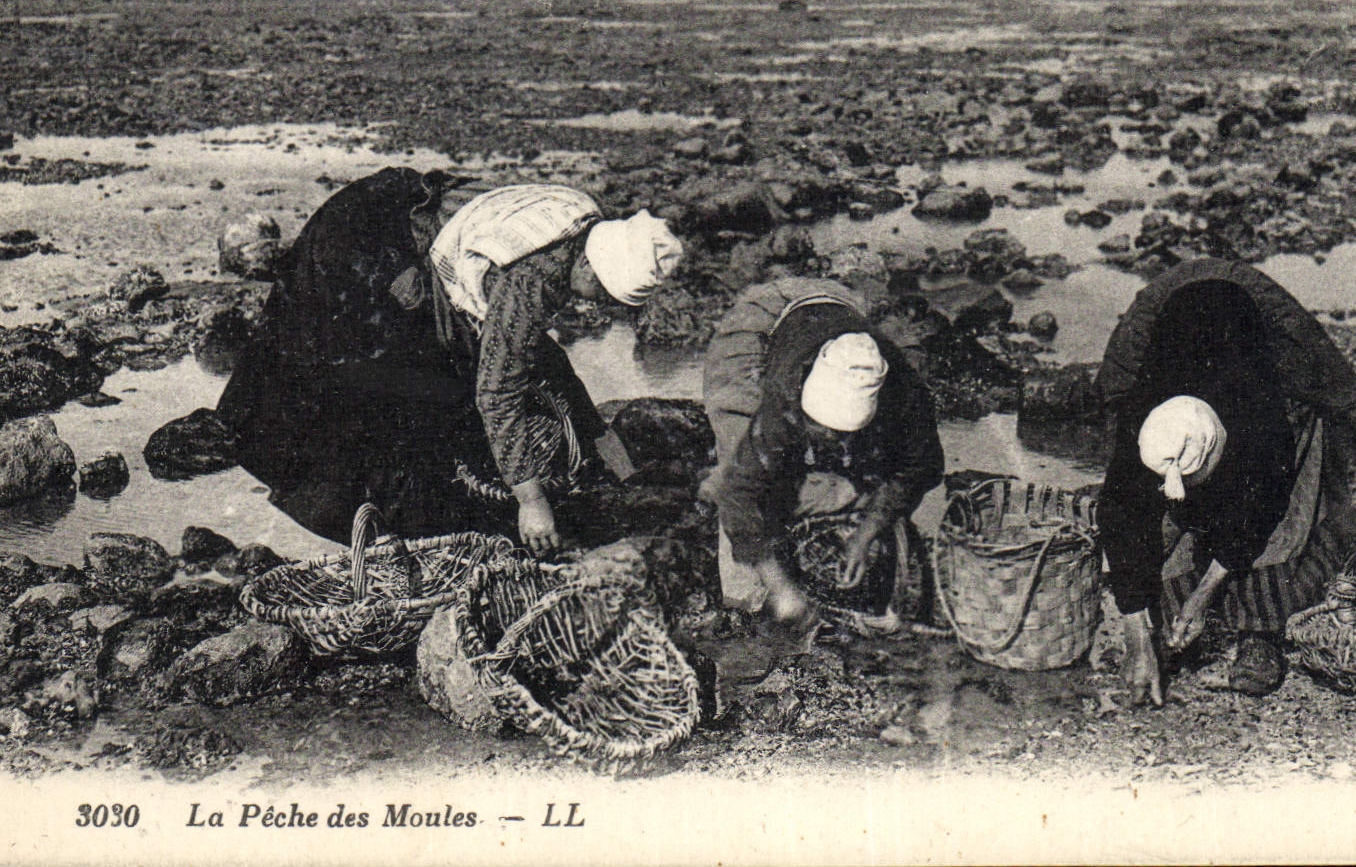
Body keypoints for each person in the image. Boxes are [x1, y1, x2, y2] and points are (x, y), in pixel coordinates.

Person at [216, 168, 683, 554]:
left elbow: (535, 351)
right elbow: (497, 391)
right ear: (587, 265)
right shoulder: (535, 278)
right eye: (604, 293)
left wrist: (604, 441)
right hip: (364, 242)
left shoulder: (584, 216)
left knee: (448, 370)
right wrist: (532, 500)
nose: (601, 307)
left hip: (392, 204)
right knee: (367, 384)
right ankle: (375, 529)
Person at [1094, 259, 1356, 701]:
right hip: (1169, 315)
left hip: (1259, 330)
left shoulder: (1260, 419)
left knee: (1281, 502)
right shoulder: (1139, 420)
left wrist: (1205, 594)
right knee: (1155, 537)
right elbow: (1121, 516)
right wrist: (1136, 634)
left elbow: (1262, 504)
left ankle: (1260, 631)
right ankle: (1164, 621)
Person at [699, 278, 945, 626]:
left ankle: (822, 528)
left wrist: (866, 533)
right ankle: (746, 598)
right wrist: (779, 586)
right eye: (821, 427)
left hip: (836, 305)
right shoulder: (784, 393)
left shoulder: (904, 392)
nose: (830, 437)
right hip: (763, 323)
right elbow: (740, 491)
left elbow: (920, 468)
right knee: (740, 459)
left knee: (862, 470)